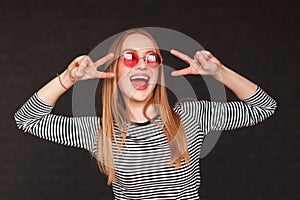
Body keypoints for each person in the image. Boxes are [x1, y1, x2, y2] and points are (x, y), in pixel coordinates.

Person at [14, 28, 277, 200]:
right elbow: (26, 119)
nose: (142, 63)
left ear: (158, 72)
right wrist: (68, 79)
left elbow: (263, 107)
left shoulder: (191, 116)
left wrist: (220, 73)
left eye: (151, 58)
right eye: (129, 57)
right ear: (115, 70)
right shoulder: (99, 132)